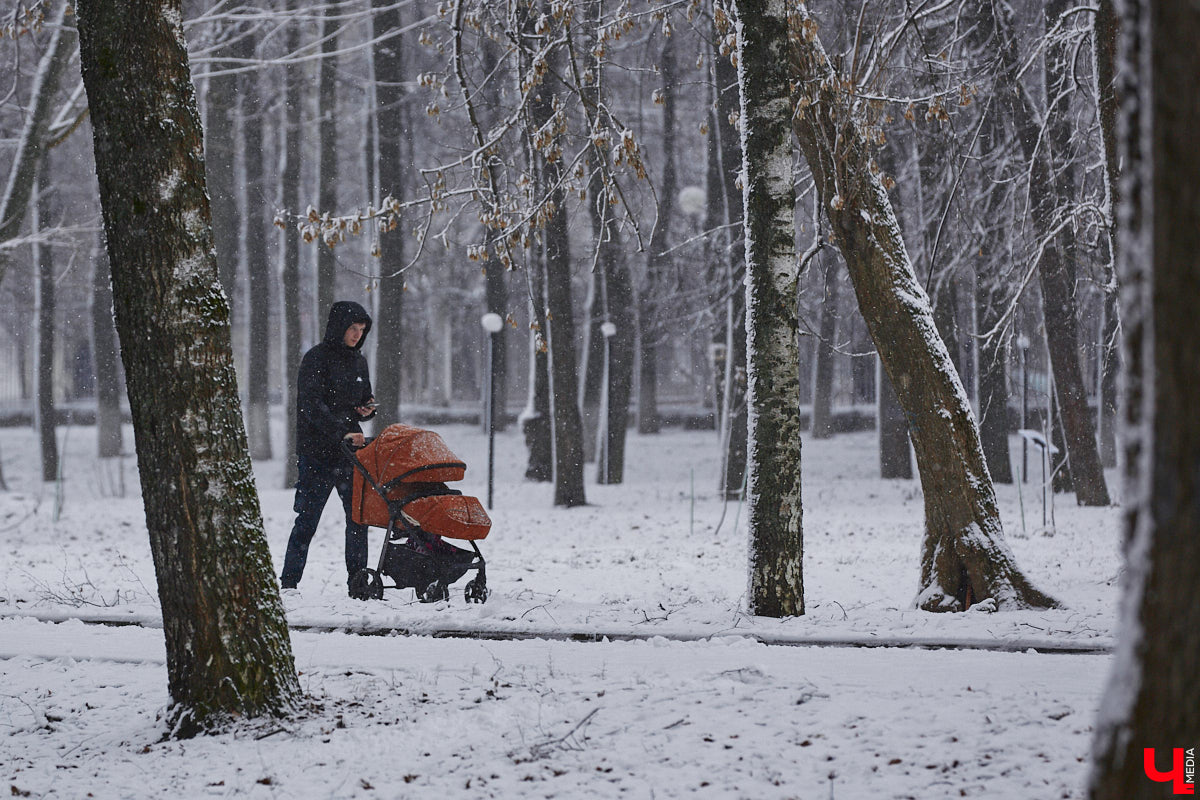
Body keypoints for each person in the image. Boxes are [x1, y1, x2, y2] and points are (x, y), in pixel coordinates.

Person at [280, 300, 377, 593]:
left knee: (358, 519)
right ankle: (289, 583)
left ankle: (358, 581)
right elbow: (311, 406)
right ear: (339, 327)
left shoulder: (359, 361)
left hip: (350, 455)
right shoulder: (315, 359)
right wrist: (342, 432)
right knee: (307, 520)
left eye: (361, 330)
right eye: (352, 328)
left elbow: (365, 398)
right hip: (317, 453)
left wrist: (368, 410)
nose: (357, 335)